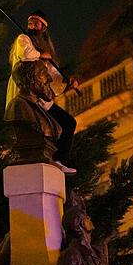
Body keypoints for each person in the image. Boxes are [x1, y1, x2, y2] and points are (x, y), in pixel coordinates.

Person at [6, 10, 79, 175]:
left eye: (35, 23)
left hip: (41, 97)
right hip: (26, 92)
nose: (31, 26)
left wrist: (68, 84)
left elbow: (53, 79)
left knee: (68, 123)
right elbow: (26, 55)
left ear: (43, 28)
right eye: (29, 23)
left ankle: (59, 160)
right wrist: (42, 55)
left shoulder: (46, 51)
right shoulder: (23, 39)